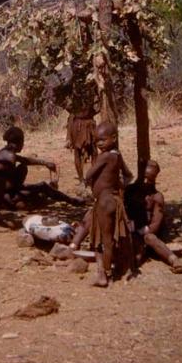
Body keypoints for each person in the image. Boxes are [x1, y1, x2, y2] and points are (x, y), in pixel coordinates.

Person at [68, 121, 134, 287]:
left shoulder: (104, 157)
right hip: (113, 199)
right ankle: (116, 268)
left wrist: (86, 182)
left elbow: (90, 174)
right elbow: (128, 175)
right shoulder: (117, 155)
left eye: (103, 140)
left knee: (104, 240)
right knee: (109, 236)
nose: (99, 144)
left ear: (114, 138)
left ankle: (105, 274)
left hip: (103, 202)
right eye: (97, 140)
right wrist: (119, 186)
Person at [0, 126, 86, 210]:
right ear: (20, 142)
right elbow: (6, 184)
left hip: (6, 192)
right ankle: (71, 200)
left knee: (23, 168)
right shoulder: (10, 157)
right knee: (43, 187)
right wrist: (32, 188)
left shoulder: (3, 152)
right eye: (23, 141)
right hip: (7, 195)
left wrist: (45, 163)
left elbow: (25, 161)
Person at [124, 160, 182, 274]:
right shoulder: (130, 191)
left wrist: (140, 231)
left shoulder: (157, 197)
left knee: (149, 238)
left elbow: (155, 225)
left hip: (147, 233)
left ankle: (175, 261)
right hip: (131, 231)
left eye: (150, 179)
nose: (147, 182)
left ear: (155, 179)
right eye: (145, 178)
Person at [65, 105, 98, 183]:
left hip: (90, 124)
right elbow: (68, 107)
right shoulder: (72, 95)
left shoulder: (92, 94)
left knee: (94, 151)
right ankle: (81, 179)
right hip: (77, 125)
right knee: (77, 152)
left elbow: (97, 108)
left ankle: (95, 177)